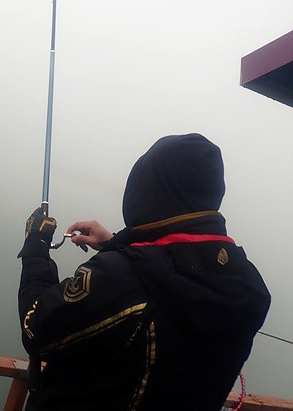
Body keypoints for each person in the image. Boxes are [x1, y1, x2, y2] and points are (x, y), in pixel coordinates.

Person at [18, 133, 271, 411]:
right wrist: (117, 242)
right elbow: (179, 264)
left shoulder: (118, 277)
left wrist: (35, 246)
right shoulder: (250, 286)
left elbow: (35, 329)